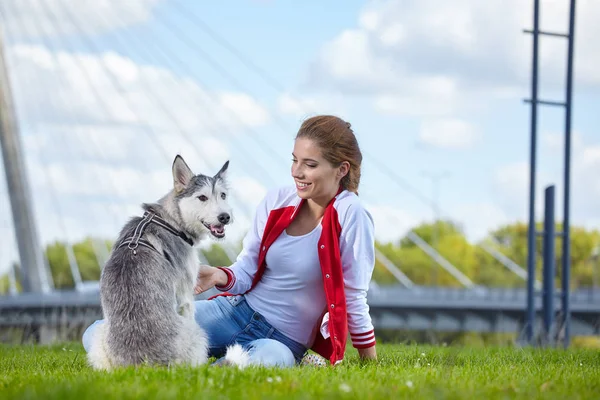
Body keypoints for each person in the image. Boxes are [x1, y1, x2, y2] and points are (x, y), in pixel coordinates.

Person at [82, 115, 377, 367]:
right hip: (234, 312)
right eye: (295, 160)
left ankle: (232, 364)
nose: (297, 172)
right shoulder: (278, 200)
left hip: (284, 340)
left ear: (342, 169)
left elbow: (353, 295)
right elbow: (247, 268)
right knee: (106, 335)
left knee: (264, 360)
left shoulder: (352, 215)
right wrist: (220, 275)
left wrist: (369, 362)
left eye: (310, 165)